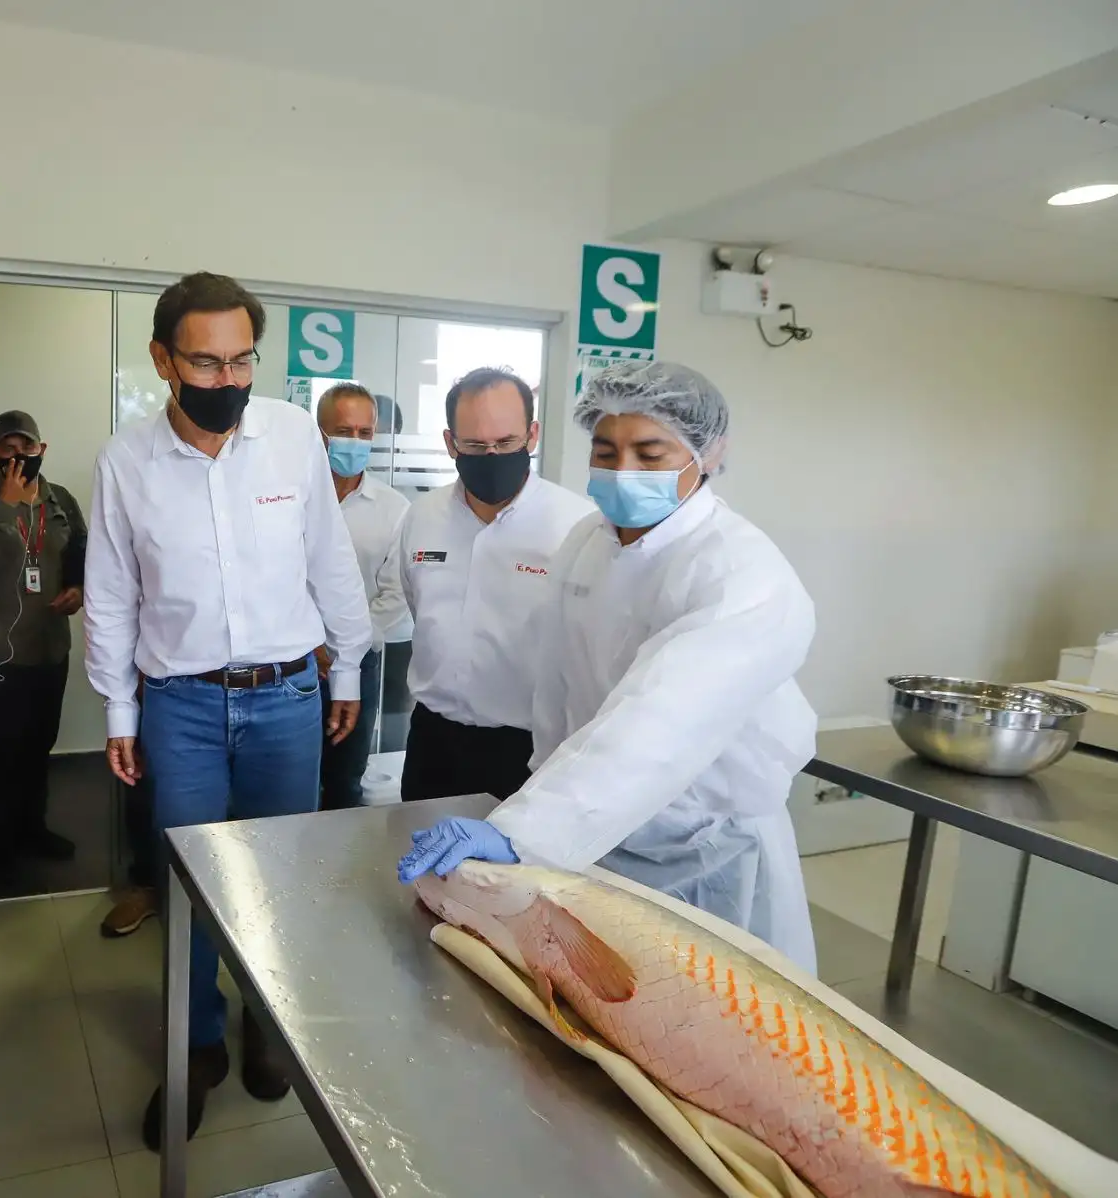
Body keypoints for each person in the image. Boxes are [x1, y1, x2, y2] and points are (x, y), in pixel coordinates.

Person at [398, 360, 820, 972]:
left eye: (650, 454)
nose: (624, 470)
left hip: (703, 847)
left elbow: (659, 722)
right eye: (606, 449)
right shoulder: (588, 544)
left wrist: (525, 831)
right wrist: (540, 802)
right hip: (597, 833)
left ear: (709, 453)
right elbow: (558, 691)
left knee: (707, 1024)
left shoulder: (740, 574)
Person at [83, 271, 372, 1149]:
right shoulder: (126, 460)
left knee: (279, 883)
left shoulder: (290, 436)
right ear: (162, 360)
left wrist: (349, 670)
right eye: (205, 365)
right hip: (182, 707)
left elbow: (330, 559)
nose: (227, 382)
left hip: (288, 697)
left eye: (242, 360)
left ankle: (267, 1026)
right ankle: (197, 1043)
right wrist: (120, 712)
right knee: (191, 887)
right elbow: (110, 595)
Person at [397, 367, 592, 803]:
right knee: (421, 864)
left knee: (515, 869)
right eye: (475, 445)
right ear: (450, 443)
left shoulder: (575, 526)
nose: (491, 456)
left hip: (528, 748)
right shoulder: (422, 516)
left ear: (532, 435)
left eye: (506, 443)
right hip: (434, 739)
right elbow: (418, 605)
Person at [0, 409, 88, 882]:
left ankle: (32, 827)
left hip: (49, 646)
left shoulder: (62, 502)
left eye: (26, 448)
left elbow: (81, 553)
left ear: (41, 450)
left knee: (38, 744)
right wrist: (7, 508)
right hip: (0, 651)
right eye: (7, 449)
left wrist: (78, 588)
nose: (18, 457)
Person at [313, 381, 410, 809]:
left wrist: (343, 647)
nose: (354, 442)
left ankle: (336, 870)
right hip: (289, 664)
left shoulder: (393, 508)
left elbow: (396, 592)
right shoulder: (289, 498)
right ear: (319, 433)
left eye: (364, 433)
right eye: (343, 430)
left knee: (345, 778)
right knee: (287, 781)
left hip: (359, 661)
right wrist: (306, 643)